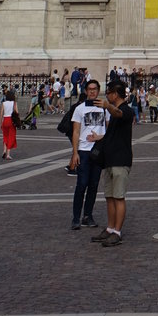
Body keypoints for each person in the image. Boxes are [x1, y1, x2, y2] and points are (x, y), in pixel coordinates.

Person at [89, 80, 135, 247]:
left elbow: (118, 114)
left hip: (120, 160)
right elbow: (112, 135)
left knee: (118, 197)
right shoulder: (114, 113)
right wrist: (98, 138)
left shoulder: (126, 111)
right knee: (109, 196)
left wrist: (108, 106)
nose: (107, 95)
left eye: (109, 93)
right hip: (109, 160)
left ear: (115, 94)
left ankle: (117, 232)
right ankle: (109, 228)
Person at [69, 79, 106, 231]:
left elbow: (109, 131)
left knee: (94, 185)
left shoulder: (105, 108)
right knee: (81, 184)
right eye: (89, 89)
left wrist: (99, 138)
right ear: (85, 91)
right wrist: (75, 153)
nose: (92, 91)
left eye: (94, 89)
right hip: (84, 151)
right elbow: (76, 132)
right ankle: (76, 217)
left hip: (99, 151)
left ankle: (88, 216)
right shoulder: (79, 109)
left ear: (98, 90)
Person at [0, 89, 18, 161]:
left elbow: (1, 113)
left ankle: (4, 150)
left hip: (5, 119)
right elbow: (16, 112)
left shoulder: (4, 103)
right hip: (11, 120)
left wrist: (1, 122)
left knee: (5, 136)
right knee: (11, 136)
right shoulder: (14, 103)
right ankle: (8, 154)